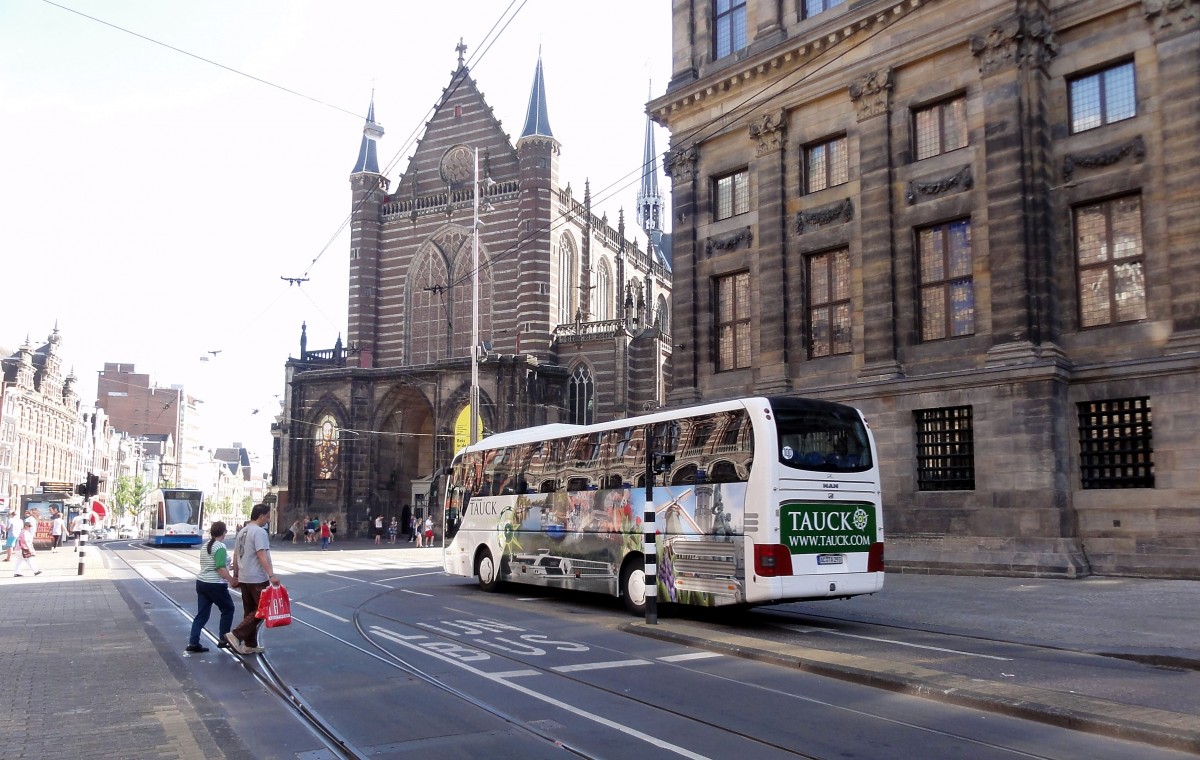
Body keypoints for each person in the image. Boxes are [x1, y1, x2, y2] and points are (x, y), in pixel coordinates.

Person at [225, 504, 280, 655]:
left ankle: (250, 644)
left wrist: (235, 575)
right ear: (261, 515)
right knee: (263, 609)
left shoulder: (242, 531)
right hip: (257, 577)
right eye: (267, 516)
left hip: (244, 577)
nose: (268, 520)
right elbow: (261, 554)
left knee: (250, 611)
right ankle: (236, 635)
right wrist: (271, 575)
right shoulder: (259, 532)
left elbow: (236, 555)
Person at [186, 521, 238, 653]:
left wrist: (228, 567)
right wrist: (231, 579)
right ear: (224, 532)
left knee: (202, 615)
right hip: (215, 584)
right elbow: (219, 567)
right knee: (228, 608)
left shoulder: (206, 546)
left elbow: (214, 564)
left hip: (202, 583)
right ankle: (223, 639)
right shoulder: (220, 546)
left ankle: (193, 642)